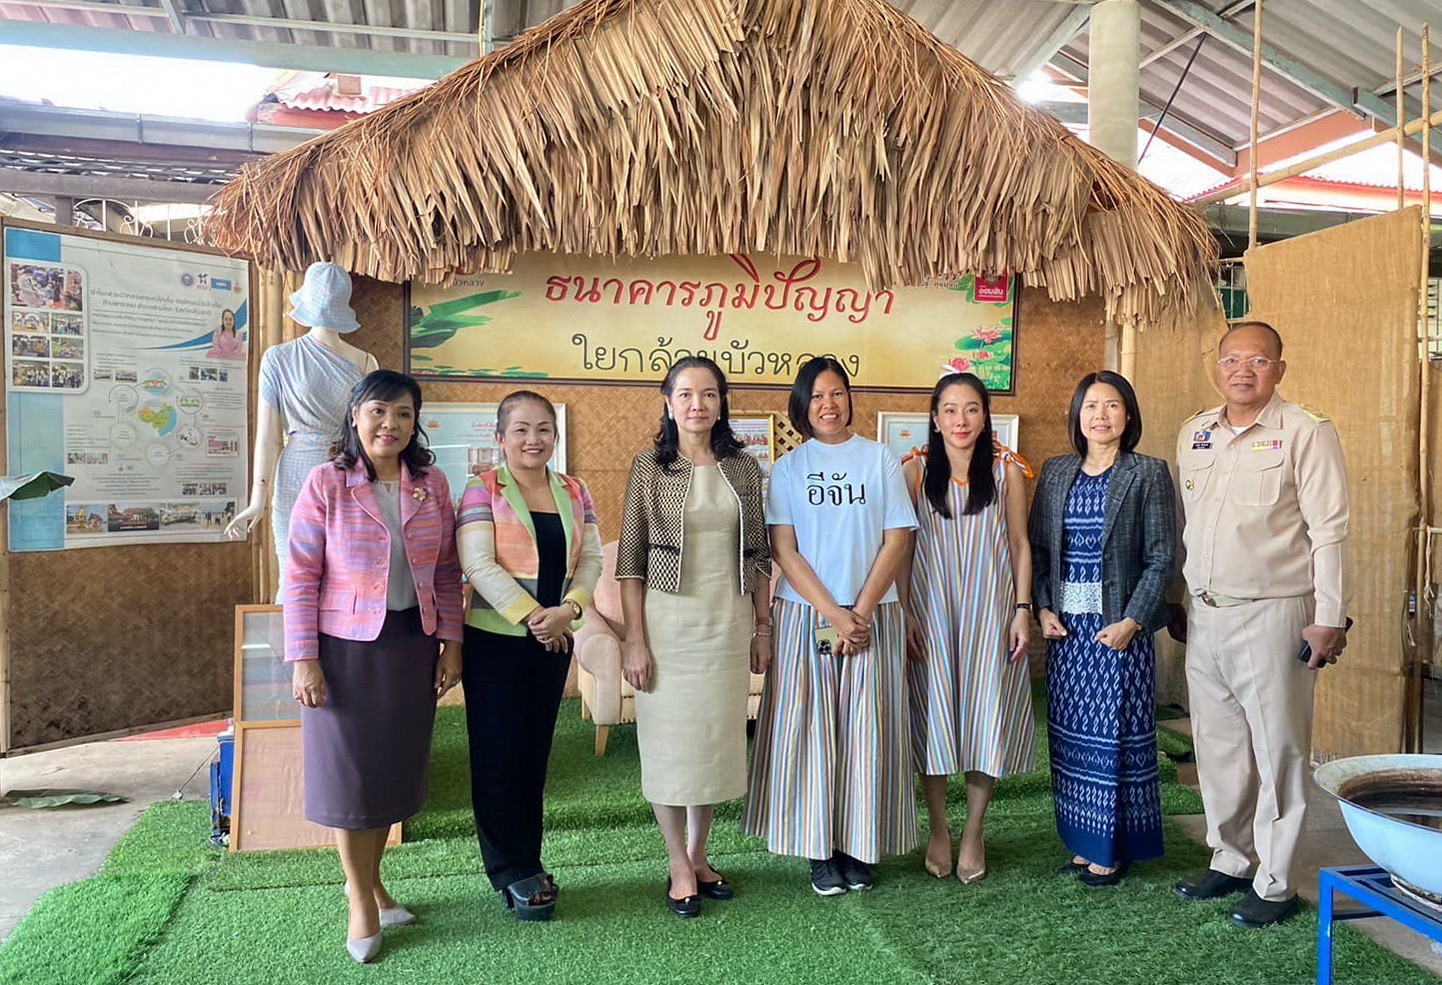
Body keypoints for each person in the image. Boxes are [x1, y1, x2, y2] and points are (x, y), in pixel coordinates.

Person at [1172, 321, 1349, 929]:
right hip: (1208, 614)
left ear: (1280, 367)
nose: (1242, 370)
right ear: (1215, 366)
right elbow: (1192, 527)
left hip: (1275, 614)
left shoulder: (1306, 431)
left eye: (1258, 360)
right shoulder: (1195, 432)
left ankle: (1275, 883)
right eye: (1231, 360)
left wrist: (1328, 618)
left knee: (1278, 750)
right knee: (1219, 747)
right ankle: (1230, 857)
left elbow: (1328, 533)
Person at [285, 370, 463, 963]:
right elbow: (302, 575)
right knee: (350, 780)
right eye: (380, 411)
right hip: (344, 650)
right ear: (356, 415)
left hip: (412, 643)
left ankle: (375, 885)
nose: (391, 424)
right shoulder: (326, 482)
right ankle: (360, 900)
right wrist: (304, 658)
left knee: (387, 775)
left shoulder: (431, 483)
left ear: (416, 423)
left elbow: (444, 571)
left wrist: (452, 643)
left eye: (404, 414)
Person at [743, 356, 918, 896]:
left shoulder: (881, 459)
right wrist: (835, 615)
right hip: (810, 618)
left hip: (873, 616)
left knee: (867, 733)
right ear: (802, 405)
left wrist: (860, 612)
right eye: (817, 395)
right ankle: (819, 852)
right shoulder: (790, 469)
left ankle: (857, 847)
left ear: (849, 399)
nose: (828, 404)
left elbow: (897, 538)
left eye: (837, 392)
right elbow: (784, 550)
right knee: (814, 732)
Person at [617, 357, 772, 919]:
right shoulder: (649, 467)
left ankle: (701, 855)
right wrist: (635, 639)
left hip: (727, 623)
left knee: (713, 743)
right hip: (668, 625)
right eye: (685, 394)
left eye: (708, 394)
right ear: (668, 402)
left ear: (721, 403)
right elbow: (629, 561)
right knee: (670, 747)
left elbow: (759, 556)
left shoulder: (744, 469)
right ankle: (677, 862)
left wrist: (762, 625)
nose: (697, 405)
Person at [456, 390, 602, 921]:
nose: (532, 439)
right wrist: (533, 616)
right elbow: (477, 563)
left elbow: (592, 559)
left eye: (543, 429)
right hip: (495, 642)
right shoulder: (481, 488)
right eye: (520, 429)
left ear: (554, 437)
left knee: (533, 756)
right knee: (497, 757)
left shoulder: (575, 489)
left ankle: (530, 859)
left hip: (555, 639)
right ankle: (511, 870)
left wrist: (568, 610)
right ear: (500, 438)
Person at [1029, 371, 1176, 887]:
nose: (1100, 415)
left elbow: (1161, 558)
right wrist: (1042, 609)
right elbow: (1041, 552)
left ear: (1128, 415)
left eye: (1111, 406)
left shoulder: (1148, 473)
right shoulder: (1055, 472)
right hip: (1067, 633)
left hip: (1119, 630)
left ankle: (1114, 848)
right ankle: (1080, 838)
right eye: (1090, 406)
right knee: (1071, 738)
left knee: (1117, 738)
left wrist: (1133, 620)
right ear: (1077, 415)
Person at [901, 372, 1034, 885]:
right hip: (930, 611)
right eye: (950, 410)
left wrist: (1022, 608)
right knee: (931, 714)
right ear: (935, 418)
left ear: (985, 415)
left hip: (990, 613)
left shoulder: (1006, 470)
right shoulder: (914, 469)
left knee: (986, 716)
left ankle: (974, 830)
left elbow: (1020, 544)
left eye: (972, 409)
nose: (961, 420)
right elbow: (902, 547)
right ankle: (939, 827)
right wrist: (906, 610)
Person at [226, 262, 378, 591]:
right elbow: (267, 438)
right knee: (302, 575)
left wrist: (258, 498)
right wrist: (258, 500)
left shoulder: (281, 357)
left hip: (342, 472)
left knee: (332, 576)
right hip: (320, 472)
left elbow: (268, 438)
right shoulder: (358, 361)